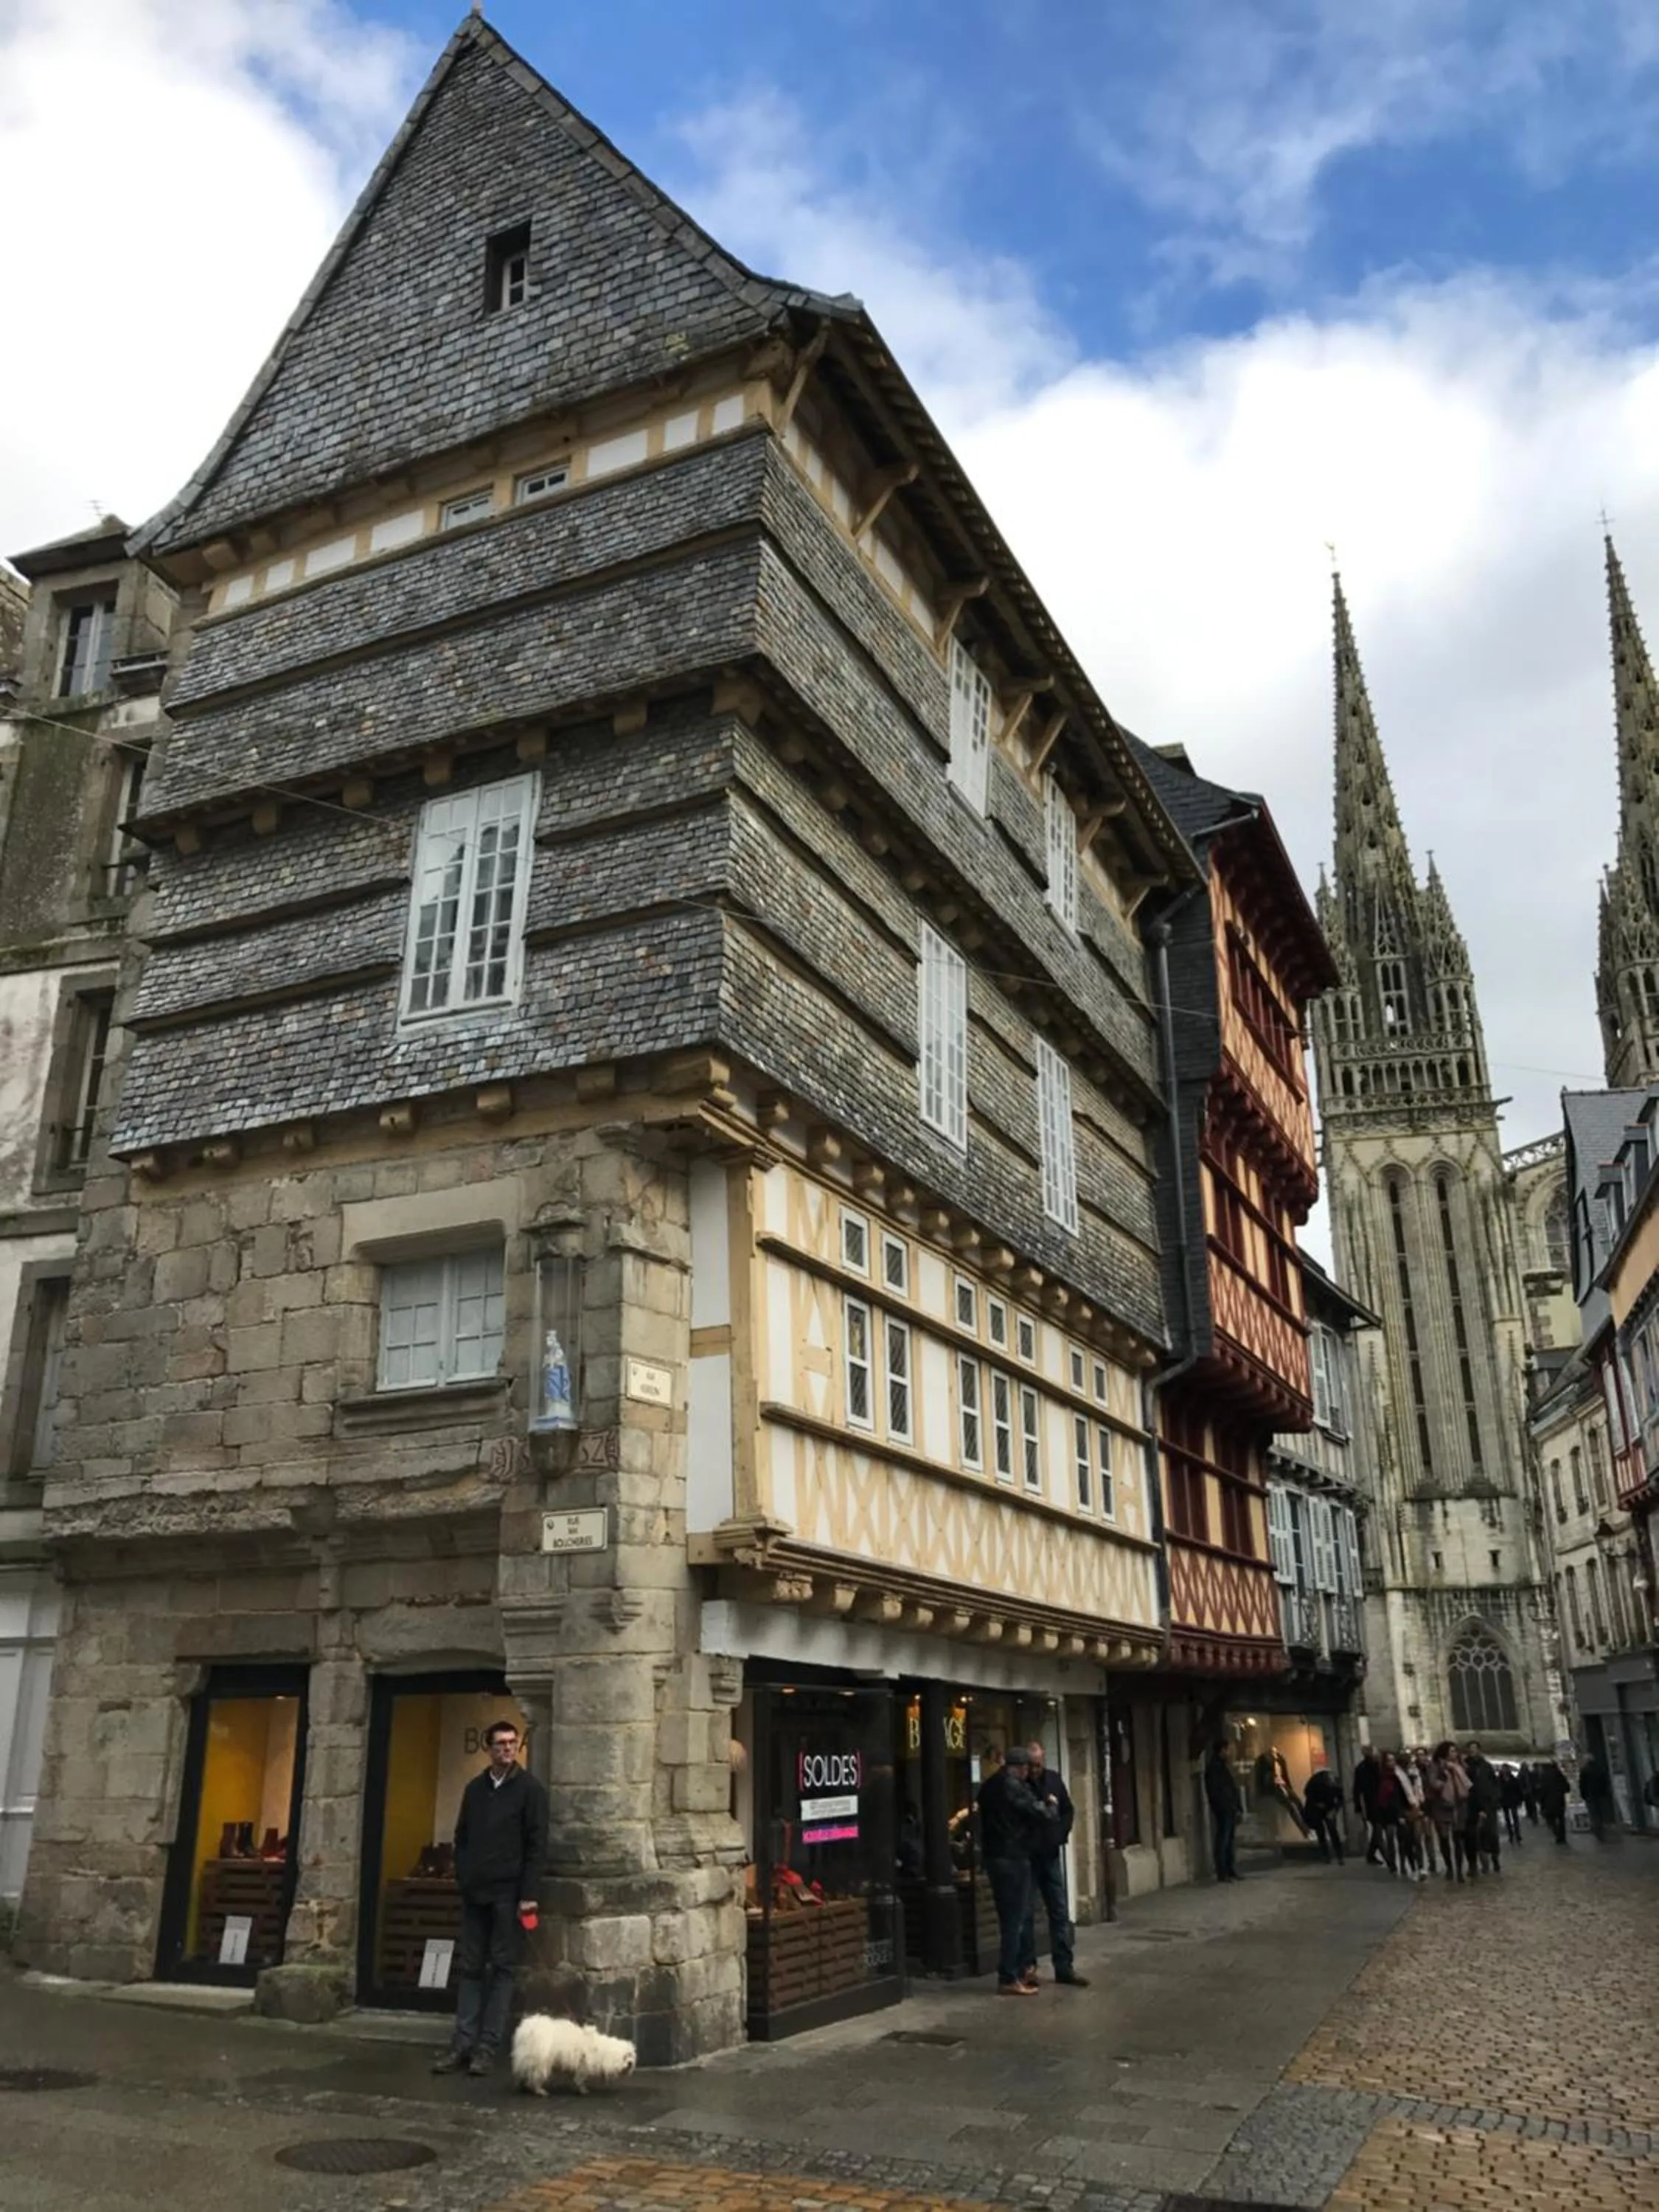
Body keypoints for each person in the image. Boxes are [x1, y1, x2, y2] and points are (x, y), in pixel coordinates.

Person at [432, 1718, 549, 2077]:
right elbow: (462, 1834)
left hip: (508, 1892)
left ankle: (487, 2046)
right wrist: (464, 1874)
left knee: (502, 1967)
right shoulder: (475, 1789)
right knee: (470, 1966)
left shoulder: (530, 1790)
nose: (507, 1749)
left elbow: (536, 1845)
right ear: (489, 1748)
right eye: (500, 1743)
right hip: (476, 1892)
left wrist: (528, 1894)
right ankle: (463, 2042)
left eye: (512, 1743)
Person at [975, 1745, 1056, 1995]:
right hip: (1014, 1856)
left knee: (1009, 1917)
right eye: (1025, 1769)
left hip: (995, 1856)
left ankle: (1015, 1971)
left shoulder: (989, 1786)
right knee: (1016, 1919)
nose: (1027, 1773)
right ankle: (1011, 1974)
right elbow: (1039, 1813)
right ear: (1019, 1768)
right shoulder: (1014, 1787)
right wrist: (1051, 1805)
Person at [1019, 1742, 1088, 1987]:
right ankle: (1028, 1967)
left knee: (1059, 1911)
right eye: (1032, 1765)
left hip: (1050, 1855)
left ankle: (1064, 1966)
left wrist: (1060, 1834)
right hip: (1028, 1857)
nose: (1036, 1770)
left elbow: (1068, 1810)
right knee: (1025, 1913)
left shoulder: (1054, 1780)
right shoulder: (1020, 1786)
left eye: (1039, 1765)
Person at [1422, 1742, 1464, 1879]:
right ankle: (1450, 1868)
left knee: (1458, 1839)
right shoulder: (1435, 1766)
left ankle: (1459, 1870)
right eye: (1452, 1751)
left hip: (1456, 1805)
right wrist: (1445, 1780)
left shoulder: (1459, 1765)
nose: (1455, 1754)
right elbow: (1432, 1783)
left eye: (1455, 1751)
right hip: (1441, 1806)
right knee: (1444, 1838)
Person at [1204, 1741, 1243, 1882]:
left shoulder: (1223, 1768)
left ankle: (1229, 1869)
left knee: (1229, 1840)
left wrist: (1237, 1808)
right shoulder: (1215, 1769)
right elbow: (1217, 1792)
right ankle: (1222, 1872)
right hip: (1224, 1810)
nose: (1229, 1753)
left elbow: (1232, 1789)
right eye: (1227, 1750)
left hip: (1229, 1809)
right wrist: (1226, 1807)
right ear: (1222, 1750)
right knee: (1223, 1840)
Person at [1463, 1742, 1502, 1874]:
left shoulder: (1486, 1766)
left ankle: (1495, 1859)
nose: (1472, 1751)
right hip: (1471, 1805)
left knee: (1491, 1834)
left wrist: (1494, 1800)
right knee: (1474, 1837)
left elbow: (1494, 1784)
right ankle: (1480, 1864)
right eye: (1470, 1749)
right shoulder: (1464, 1766)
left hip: (1488, 1805)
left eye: (1475, 1748)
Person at [1370, 1750, 1406, 1874]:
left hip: (1398, 1811)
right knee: (1390, 1839)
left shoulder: (1399, 1775)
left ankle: (1402, 1864)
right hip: (1385, 1813)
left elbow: (1402, 1794)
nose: (1392, 1763)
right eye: (1389, 1761)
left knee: (1401, 1839)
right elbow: (1377, 1795)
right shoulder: (1379, 1777)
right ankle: (1392, 1863)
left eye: (1393, 1760)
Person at [1303, 1766, 1345, 1863]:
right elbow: (1307, 1792)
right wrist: (1317, 1803)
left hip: (1329, 1807)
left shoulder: (1336, 1784)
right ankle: (1326, 1855)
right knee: (1321, 1831)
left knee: (1332, 1830)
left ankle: (1339, 1855)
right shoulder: (1316, 1781)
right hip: (1316, 1808)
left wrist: (1334, 1810)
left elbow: (1341, 1799)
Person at [1352, 1747, 1383, 1864]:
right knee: (1378, 1830)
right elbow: (1357, 1789)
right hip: (1371, 1803)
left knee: (1377, 1830)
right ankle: (1386, 1859)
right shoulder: (1365, 1768)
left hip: (1375, 1802)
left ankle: (1371, 1854)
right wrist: (1358, 1806)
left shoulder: (1374, 1767)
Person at [1578, 1751, 1616, 1842]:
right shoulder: (1600, 1768)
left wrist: (1583, 1795)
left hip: (1590, 1795)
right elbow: (1605, 1781)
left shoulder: (1585, 1771)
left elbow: (1582, 1785)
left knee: (1594, 1813)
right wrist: (1605, 1792)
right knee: (1600, 1812)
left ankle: (1597, 1830)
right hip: (1601, 1794)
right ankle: (1601, 1827)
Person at [1534, 1756, 1570, 1846]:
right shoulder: (1559, 1774)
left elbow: (1542, 1790)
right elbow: (1567, 1787)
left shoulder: (1544, 1777)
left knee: (1551, 1819)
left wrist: (1541, 1800)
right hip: (1560, 1800)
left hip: (1549, 1801)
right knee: (1561, 1819)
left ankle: (1557, 1834)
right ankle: (1563, 1837)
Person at [1498, 1762, 1525, 1847]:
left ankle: (1518, 1835)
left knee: (1515, 1819)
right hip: (1504, 1802)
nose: (1505, 1771)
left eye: (1506, 1769)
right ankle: (1511, 1835)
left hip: (1513, 1801)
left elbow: (1519, 1790)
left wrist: (1520, 1801)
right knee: (1507, 1820)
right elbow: (1498, 1791)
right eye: (1504, 1769)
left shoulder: (1513, 1779)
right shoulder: (1499, 1780)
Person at [1520, 1762, 1540, 1827]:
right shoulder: (1522, 1775)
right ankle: (1532, 1816)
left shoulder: (1530, 1774)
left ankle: (1534, 1818)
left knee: (1532, 1806)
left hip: (1531, 1792)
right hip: (1527, 1792)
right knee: (1529, 1805)